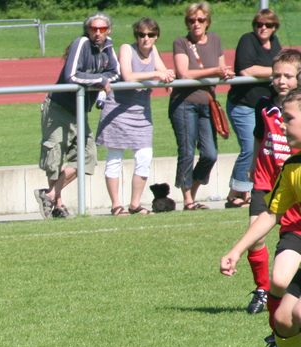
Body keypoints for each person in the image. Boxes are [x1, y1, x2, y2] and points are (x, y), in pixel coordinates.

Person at [219, 50, 301, 347]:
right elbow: (272, 213)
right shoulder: (292, 167)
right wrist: (236, 249)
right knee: (282, 306)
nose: (281, 125)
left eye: (289, 119)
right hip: (296, 230)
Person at [34, 12, 119, 220]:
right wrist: (100, 79)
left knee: (87, 156)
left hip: (80, 112)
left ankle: (49, 195)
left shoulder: (108, 47)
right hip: (59, 108)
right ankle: (58, 205)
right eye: (94, 29)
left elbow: (116, 73)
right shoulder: (81, 43)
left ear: (108, 30)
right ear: (88, 30)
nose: (97, 33)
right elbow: (70, 76)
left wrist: (102, 79)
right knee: (54, 158)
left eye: (102, 29)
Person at [96, 18, 174, 216]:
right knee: (115, 158)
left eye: (150, 35)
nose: (146, 39)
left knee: (144, 156)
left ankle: (135, 204)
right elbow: (128, 76)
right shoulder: (126, 49)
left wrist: (167, 78)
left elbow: (164, 72)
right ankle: (116, 205)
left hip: (141, 113)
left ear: (156, 37)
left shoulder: (153, 50)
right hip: (118, 110)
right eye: (141, 35)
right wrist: (158, 74)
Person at [169, 2, 235, 211]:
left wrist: (224, 73)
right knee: (187, 151)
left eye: (200, 20)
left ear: (208, 21)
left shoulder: (215, 39)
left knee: (210, 154)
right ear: (187, 23)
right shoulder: (181, 42)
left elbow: (221, 69)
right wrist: (215, 71)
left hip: (207, 103)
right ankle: (188, 200)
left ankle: (193, 192)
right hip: (184, 103)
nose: (196, 24)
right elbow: (184, 74)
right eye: (191, 20)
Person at [225, 9, 282, 209]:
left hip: (265, 106)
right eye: (259, 24)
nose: (263, 28)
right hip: (243, 104)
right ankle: (235, 193)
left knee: (265, 147)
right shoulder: (248, 40)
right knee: (249, 147)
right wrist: (277, 71)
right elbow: (246, 69)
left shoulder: (275, 43)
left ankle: (250, 191)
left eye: (268, 25)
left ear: (275, 27)